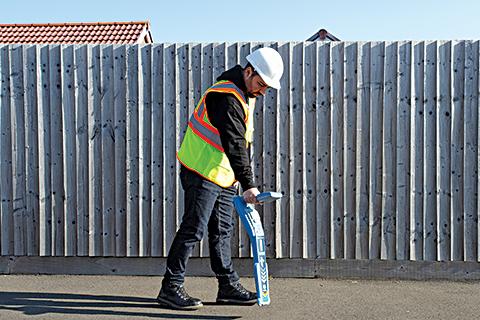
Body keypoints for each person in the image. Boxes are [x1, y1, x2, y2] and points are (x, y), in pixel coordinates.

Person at [156, 47, 284, 310]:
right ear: (248, 72)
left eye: (266, 88)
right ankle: (170, 287)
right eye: (261, 84)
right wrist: (249, 184)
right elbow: (234, 143)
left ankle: (227, 286)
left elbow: (238, 144)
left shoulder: (244, 93)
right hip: (201, 171)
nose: (262, 91)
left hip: (223, 175)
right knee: (193, 229)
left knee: (222, 231)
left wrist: (237, 179)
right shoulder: (225, 96)